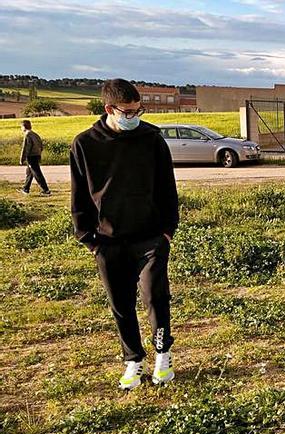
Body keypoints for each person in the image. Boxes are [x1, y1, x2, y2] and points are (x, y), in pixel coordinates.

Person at [70, 79, 179, 389]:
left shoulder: (152, 139)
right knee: (120, 304)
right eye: (128, 112)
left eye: (138, 110)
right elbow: (79, 195)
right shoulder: (84, 144)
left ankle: (162, 356)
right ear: (109, 109)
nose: (135, 117)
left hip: (150, 238)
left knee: (155, 298)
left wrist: (167, 232)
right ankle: (133, 360)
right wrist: (88, 239)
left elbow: (167, 189)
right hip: (107, 241)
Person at [18, 120, 50, 196]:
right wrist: (39, 153)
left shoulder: (27, 135)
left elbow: (26, 148)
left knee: (37, 173)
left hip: (31, 157)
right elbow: (41, 145)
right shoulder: (35, 134)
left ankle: (46, 190)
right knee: (29, 172)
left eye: (21, 127)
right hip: (37, 155)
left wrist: (22, 159)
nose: (21, 129)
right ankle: (25, 189)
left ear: (24, 127)